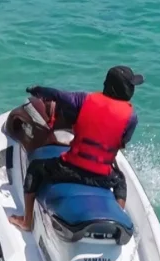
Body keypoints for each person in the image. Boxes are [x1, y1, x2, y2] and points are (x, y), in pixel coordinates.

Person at [9, 66, 143, 232]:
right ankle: (115, 215)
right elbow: (122, 142)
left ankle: (26, 221)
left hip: (71, 170)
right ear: (123, 89)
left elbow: (57, 95)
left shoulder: (84, 100)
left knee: (35, 168)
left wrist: (37, 90)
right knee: (121, 181)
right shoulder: (131, 117)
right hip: (102, 177)